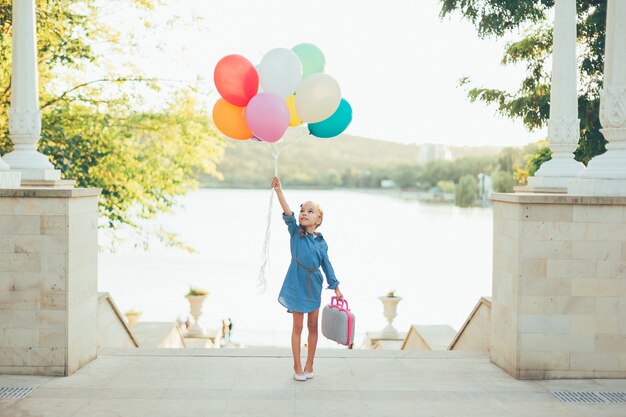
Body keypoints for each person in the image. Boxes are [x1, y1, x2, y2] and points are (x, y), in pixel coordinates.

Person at [272, 176, 343, 382]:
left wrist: (336, 286)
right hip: (296, 283)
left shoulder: (321, 242)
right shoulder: (295, 232)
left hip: (315, 284)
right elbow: (288, 213)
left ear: (318, 219)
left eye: (310, 211)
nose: (304, 213)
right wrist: (279, 191)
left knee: (313, 326)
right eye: (303, 210)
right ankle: (296, 365)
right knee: (298, 327)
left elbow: (326, 264)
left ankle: (309, 363)